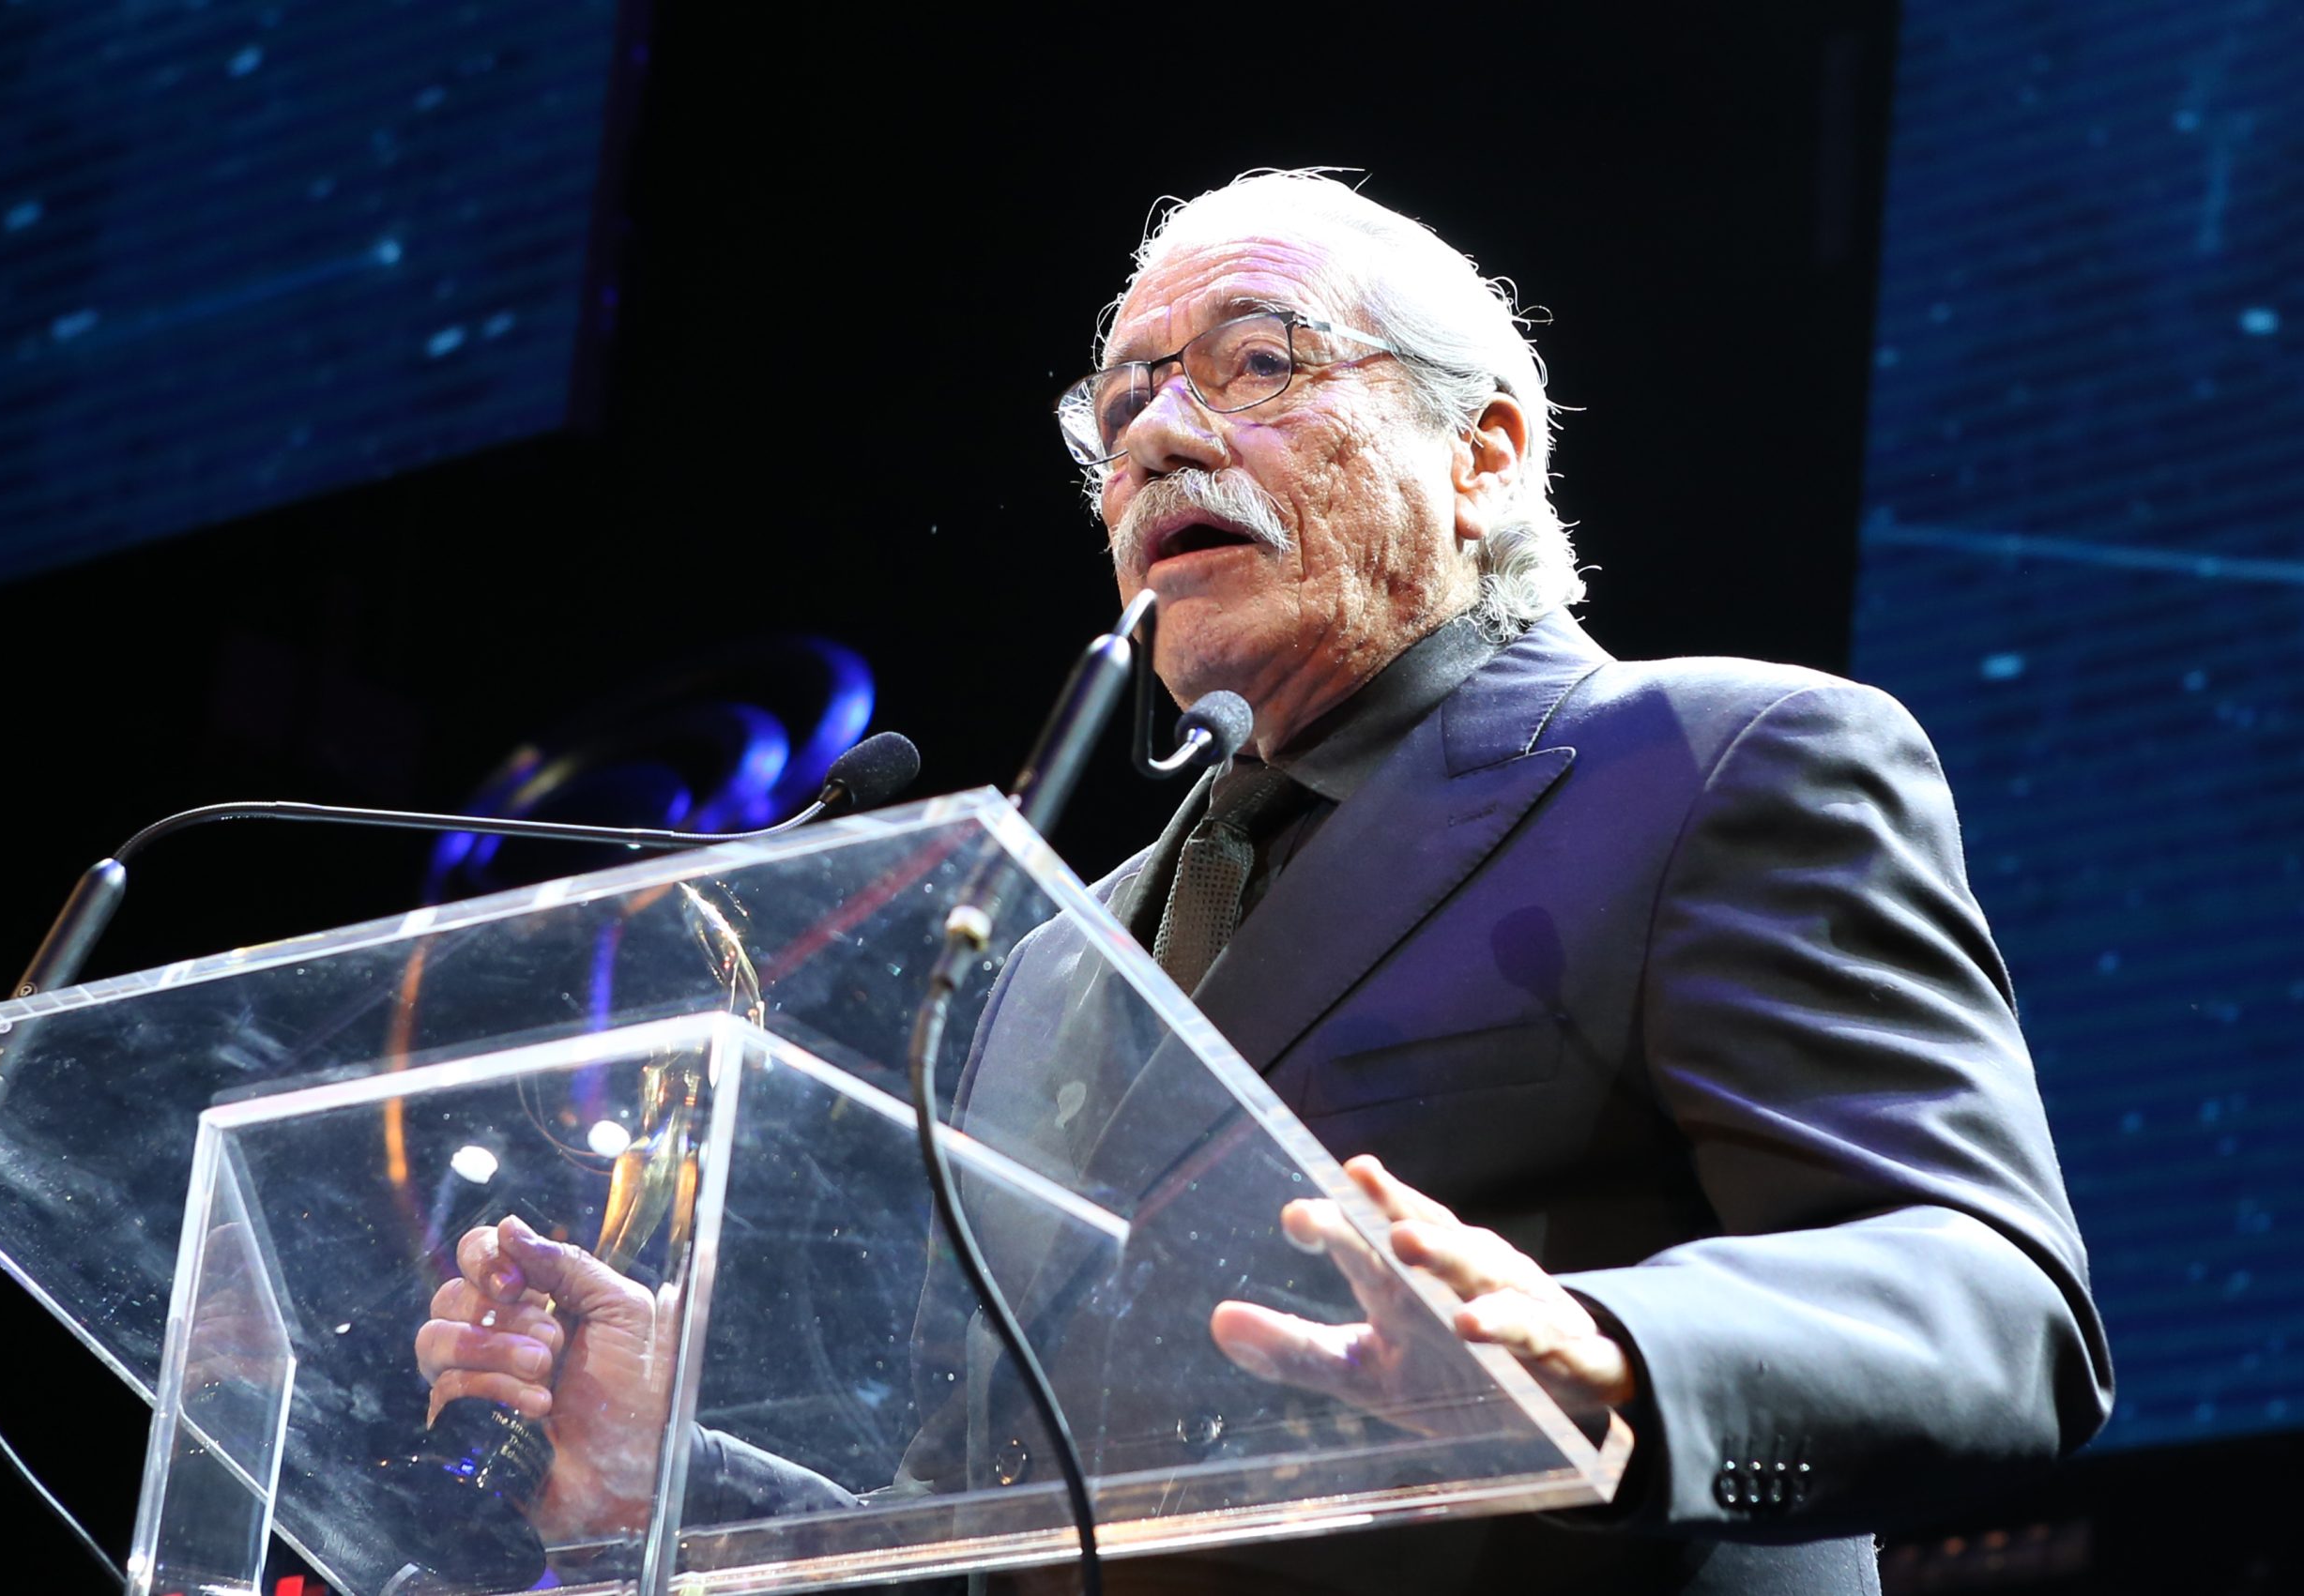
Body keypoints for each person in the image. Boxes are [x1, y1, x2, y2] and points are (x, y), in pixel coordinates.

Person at [417, 170, 2113, 1593]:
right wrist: (673, 1475)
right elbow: (1016, 1522)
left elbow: (1989, 1296)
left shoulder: (1720, 764)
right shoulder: (1037, 962)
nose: (1160, 436)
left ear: (1489, 456)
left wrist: (1598, 1347)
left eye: (1254, 363)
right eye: (1122, 406)